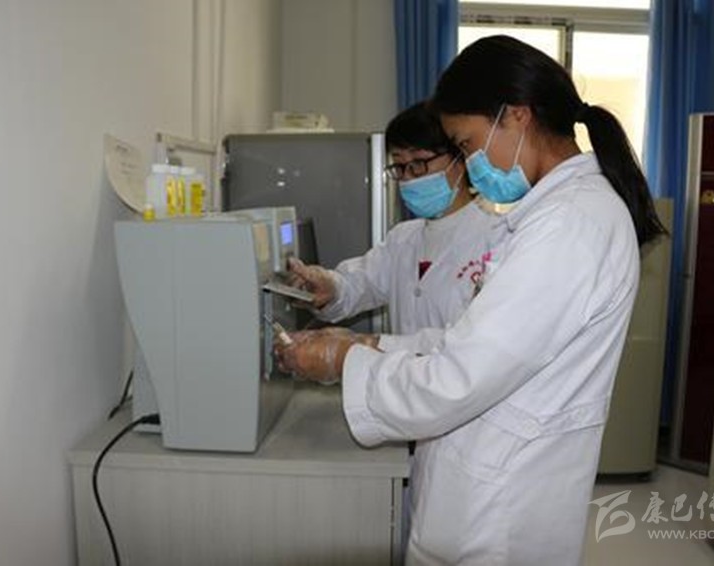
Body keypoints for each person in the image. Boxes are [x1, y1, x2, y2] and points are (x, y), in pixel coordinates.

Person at [278, 35, 666, 565]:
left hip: (499, 510)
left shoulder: (570, 225)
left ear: (517, 116)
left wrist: (343, 360)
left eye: (465, 144)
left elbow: (457, 378)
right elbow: (470, 344)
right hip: (487, 483)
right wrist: (368, 344)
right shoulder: (559, 215)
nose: (469, 161)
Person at [288, 101, 499, 343]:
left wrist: (366, 346)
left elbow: (486, 343)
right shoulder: (402, 239)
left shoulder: (496, 236)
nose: (408, 178)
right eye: (399, 166)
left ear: (460, 160)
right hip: (401, 368)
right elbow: (358, 285)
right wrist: (330, 288)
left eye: (418, 164)